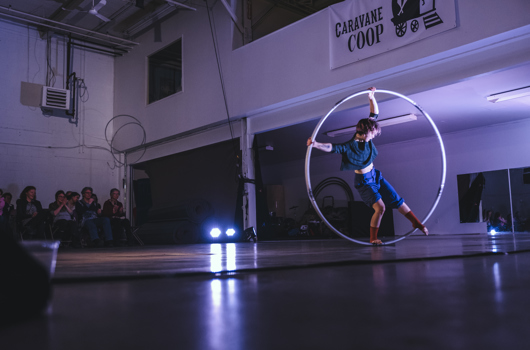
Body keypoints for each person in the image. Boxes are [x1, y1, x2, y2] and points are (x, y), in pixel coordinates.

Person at [307, 87, 428, 245]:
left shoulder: (367, 131)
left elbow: (374, 113)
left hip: (375, 175)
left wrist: (371, 97)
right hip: (364, 182)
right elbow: (333, 147)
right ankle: (373, 238)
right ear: (364, 132)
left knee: (396, 199)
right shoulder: (351, 145)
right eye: (373, 134)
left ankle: (416, 223)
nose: (374, 136)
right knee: (381, 208)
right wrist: (315, 144)